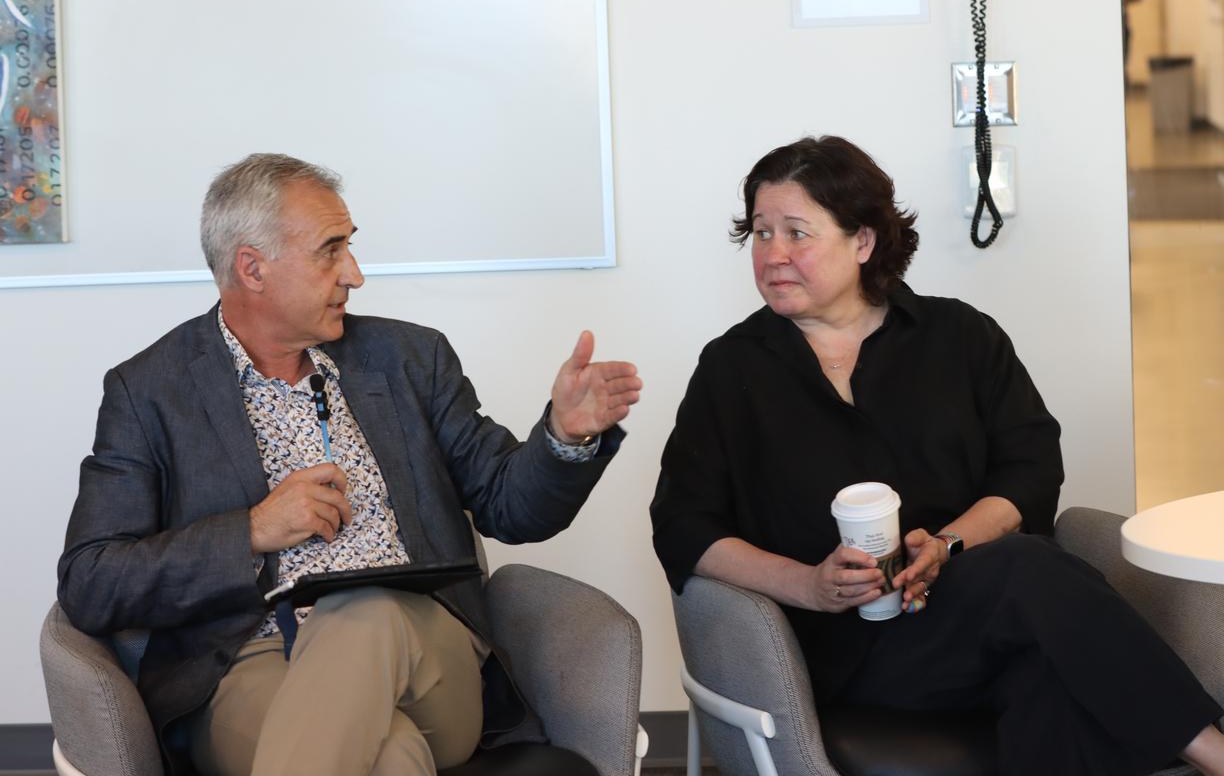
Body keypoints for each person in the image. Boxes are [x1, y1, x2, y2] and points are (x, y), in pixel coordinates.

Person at [650, 136, 1224, 775]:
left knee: (1042, 663)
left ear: (862, 242)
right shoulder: (732, 369)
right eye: (760, 234)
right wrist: (808, 585)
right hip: (839, 648)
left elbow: (1030, 468)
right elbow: (682, 524)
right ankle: (1212, 753)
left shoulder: (961, 336)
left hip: (980, 615)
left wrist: (945, 546)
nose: (773, 255)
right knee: (1029, 577)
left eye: (796, 233)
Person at [57, 154, 643, 776]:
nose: (355, 275)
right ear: (252, 268)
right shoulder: (150, 391)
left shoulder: (409, 359)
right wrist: (252, 530)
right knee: (388, 757)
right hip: (248, 662)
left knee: (362, 613)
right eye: (330, 251)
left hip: (426, 654)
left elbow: (510, 504)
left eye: (350, 248)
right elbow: (92, 581)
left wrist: (564, 436)